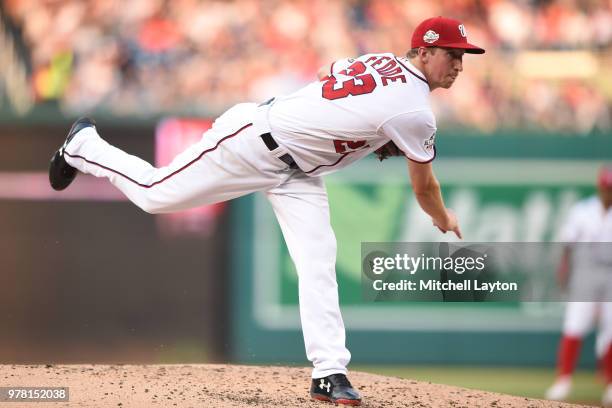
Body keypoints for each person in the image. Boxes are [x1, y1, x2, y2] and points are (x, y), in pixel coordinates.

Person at [49, 16, 483, 406]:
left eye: (463, 56)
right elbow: (425, 188)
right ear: (424, 52)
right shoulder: (414, 109)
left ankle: (329, 373)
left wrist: (358, 128)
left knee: (318, 262)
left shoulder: (380, 60)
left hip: (300, 172)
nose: (459, 64)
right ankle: (84, 145)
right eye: (452, 54)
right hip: (253, 142)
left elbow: (326, 72)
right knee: (155, 194)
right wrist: (443, 218)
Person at [545, 166, 612, 407]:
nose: (608, 192)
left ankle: (610, 384)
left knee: (610, 329)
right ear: (599, 187)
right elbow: (568, 244)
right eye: (606, 187)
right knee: (574, 325)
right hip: (585, 272)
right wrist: (564, 269)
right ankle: (563, 380)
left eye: (611, 188)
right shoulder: (583, 211)